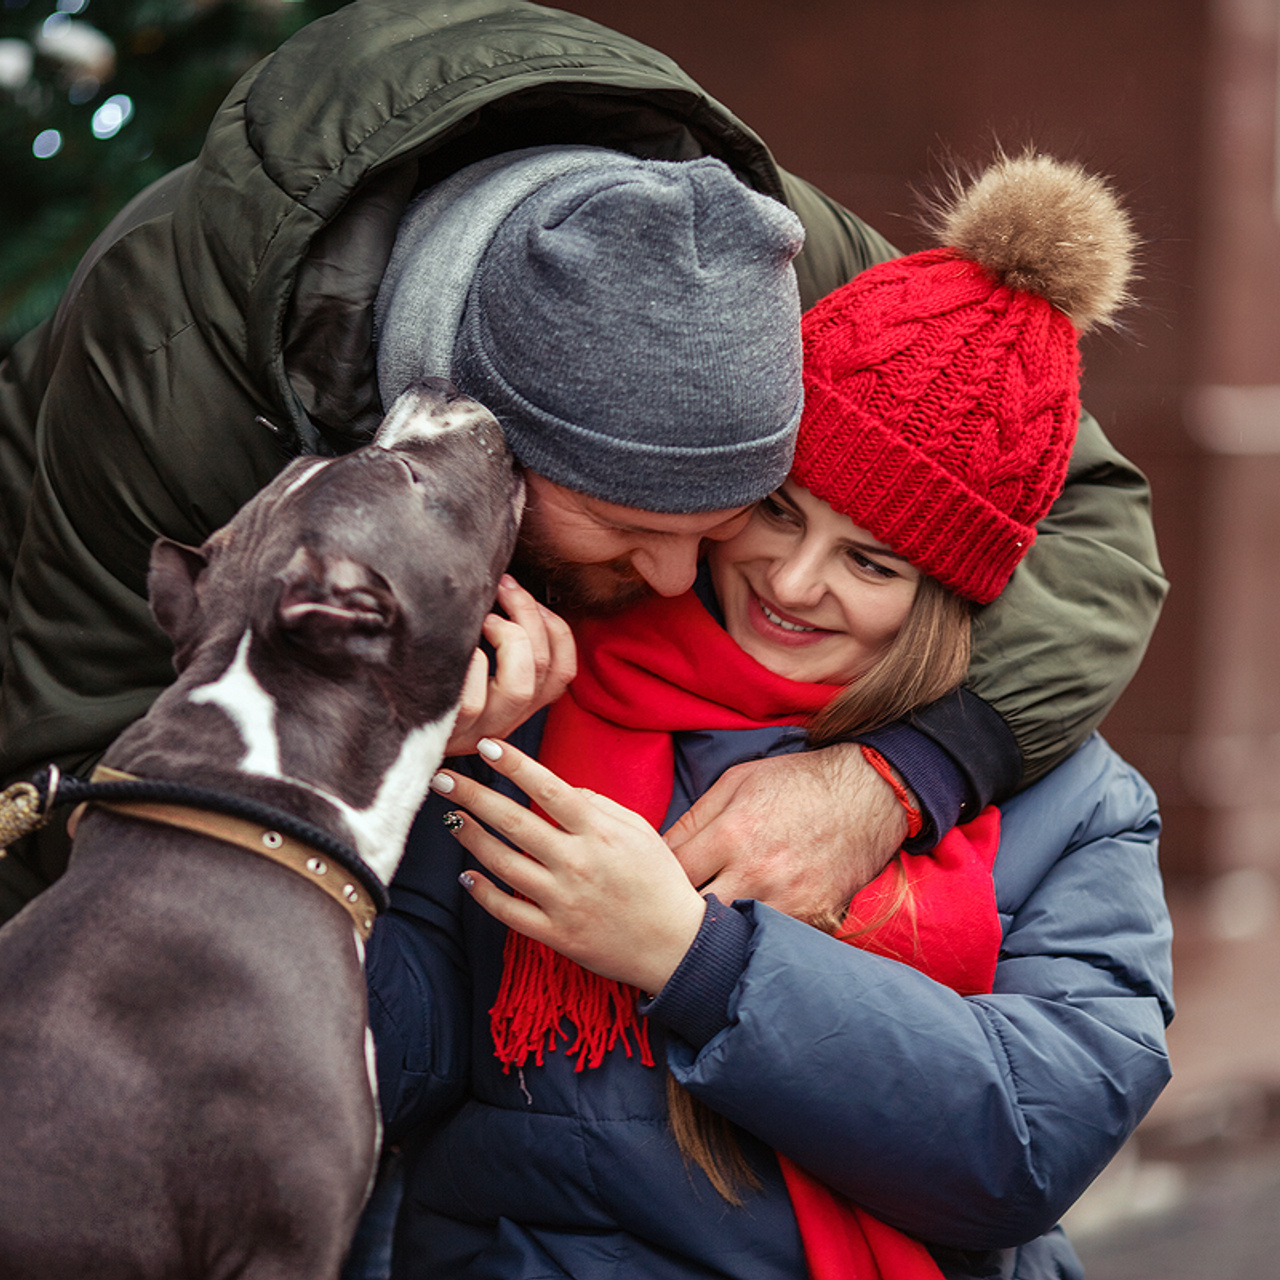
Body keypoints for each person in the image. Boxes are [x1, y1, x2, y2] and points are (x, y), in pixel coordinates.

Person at [0, 0, 1165, 932]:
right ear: (475, 437)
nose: (676, 581)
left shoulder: (760, 263)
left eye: (729, 513)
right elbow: (71, 796)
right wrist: (377, 722)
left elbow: (1092, 518)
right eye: (629, 525)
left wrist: (886, 778)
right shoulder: (168, 363)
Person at [363, 152, 1173, 1280]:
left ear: (954, 592)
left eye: (871, 561)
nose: (793, 581)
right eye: (778, 512)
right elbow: (392, 1057)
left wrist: (694, 957)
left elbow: (1028, 1145)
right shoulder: (539, 689)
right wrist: (388, 767)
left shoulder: (1070, 800)